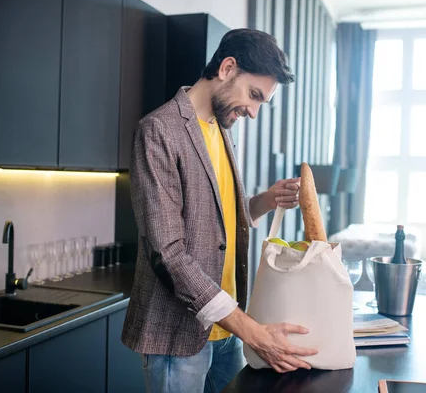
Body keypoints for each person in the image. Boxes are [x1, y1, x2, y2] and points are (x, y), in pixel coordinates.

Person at [121, 28, 318, 393]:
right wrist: (253, 332)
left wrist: (264, 201)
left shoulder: (222, 129)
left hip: (225, 330)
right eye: (254, 95)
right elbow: (168, 253)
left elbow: (215, 218)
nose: (254, 112)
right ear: (227, 68)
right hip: (178, 337)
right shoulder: (159, 130)